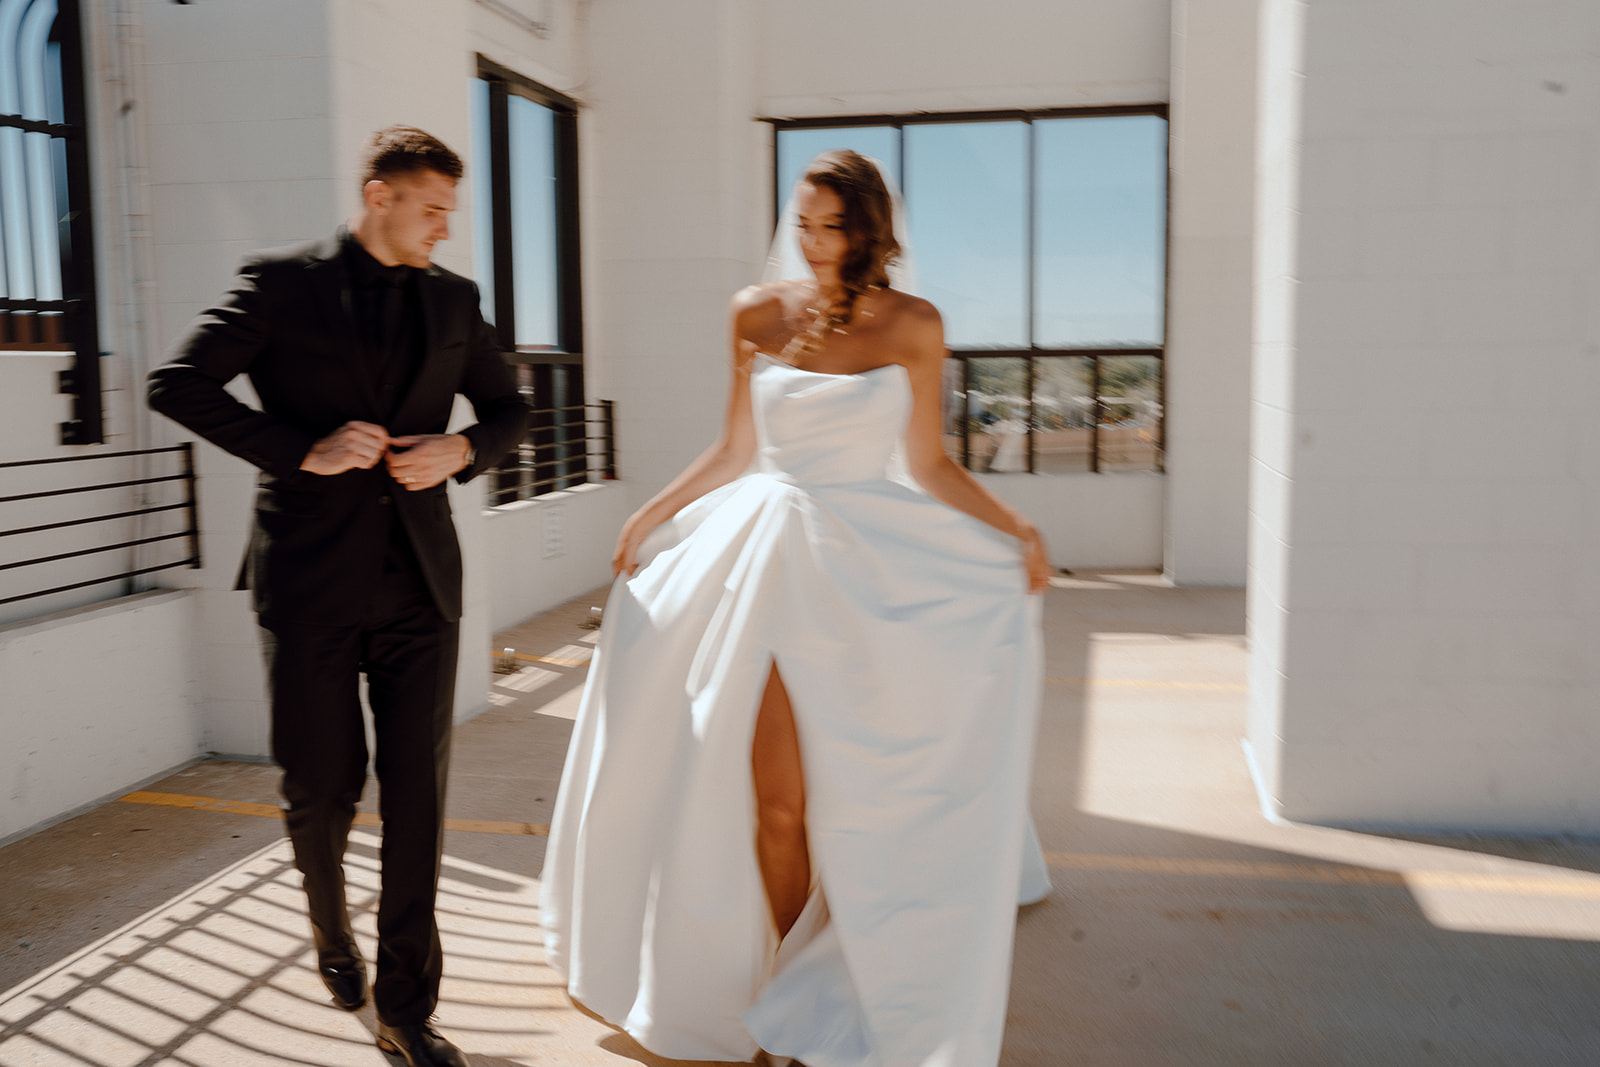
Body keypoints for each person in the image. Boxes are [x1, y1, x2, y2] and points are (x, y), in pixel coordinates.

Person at [540, 150, 1048, 1066]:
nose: (815, 244)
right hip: (760, 555)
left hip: (865, 574)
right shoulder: (754, 311)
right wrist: (654, 512)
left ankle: (833, 982)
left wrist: (1012, 525)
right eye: (804, 224)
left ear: (870, 228)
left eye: (834, 226)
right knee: (775, 802)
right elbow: (738, 445)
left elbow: (928, 464)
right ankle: (781, 996)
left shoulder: (915, 325)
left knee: (859, 797)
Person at [147, 126, 530, 1067]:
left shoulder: (454, 300)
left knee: (417, 797)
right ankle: (330, 931)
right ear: (379, 195)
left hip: (420, 588)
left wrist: (465, 449)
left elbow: (515, 406)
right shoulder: (282, 284)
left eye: (451, 210)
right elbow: (176, 382)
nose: (445, 227)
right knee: (320, 791)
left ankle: (408, 1007)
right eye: (431, 208)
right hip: (308, 584)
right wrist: (298, 449)